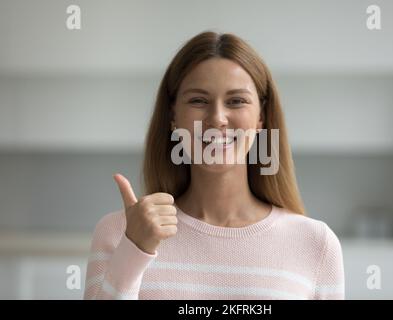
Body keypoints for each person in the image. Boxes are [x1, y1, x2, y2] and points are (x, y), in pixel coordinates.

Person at [83, 31, 345, 300]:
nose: (217, 118)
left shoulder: (316, 243)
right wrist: (134, 250)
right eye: (198, 100)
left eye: (236, 101)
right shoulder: (120, 232)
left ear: (261, 117)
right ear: (173, 115)